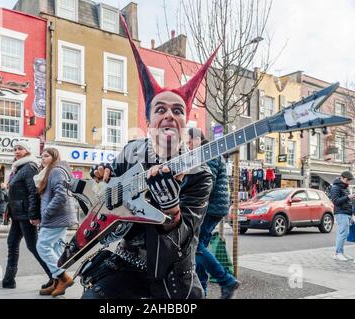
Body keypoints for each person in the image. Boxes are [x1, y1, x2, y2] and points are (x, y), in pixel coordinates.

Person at [72, 16, 216, 299]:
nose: (169, 115)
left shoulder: (199, 174)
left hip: (171, 274)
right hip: (126, 264)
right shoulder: (130, 150)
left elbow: (182, 237)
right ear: (148, 120)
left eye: (177, 111)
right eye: (160, 109)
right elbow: (106, 191)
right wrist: (102, 178)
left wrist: (171, 211)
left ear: (185, 122)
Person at [188, 128, 239, 299]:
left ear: (196, 139)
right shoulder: (207, 152)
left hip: (210, 207)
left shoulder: (207, 153)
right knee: (201, 246)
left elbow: (207, 183)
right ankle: (202, 290)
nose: (188, 146)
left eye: (189, 142)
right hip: (215, 206)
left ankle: (226, 281)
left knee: (194, 246)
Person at [0, 140, 52, 290]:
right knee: (12, 243)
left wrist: (34, 215)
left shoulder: (29, 167)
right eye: (15, 149)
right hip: (17, 214)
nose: (16, 151)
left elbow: (33, 192)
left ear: (27, 151)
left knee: (33, 246)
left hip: (26, 214)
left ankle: (56, 276)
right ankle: (9, 280)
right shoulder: (18, 168)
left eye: (20, 148)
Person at [34, 148, 77, 297]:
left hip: (55, 218)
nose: (43, 158)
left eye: (46, 156)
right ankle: (56, 283)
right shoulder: (52, 171)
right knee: (57, 250)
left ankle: (63, 278)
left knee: (42, 246)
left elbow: (61, 195)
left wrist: (47, 212)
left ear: (54, 157)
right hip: (59, 217)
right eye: (42, 156)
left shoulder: (56, 171)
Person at [331, 171, 355, 261]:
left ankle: (341, 252)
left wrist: (351, 213)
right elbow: (335, 201)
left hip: (346, 213)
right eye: (347, 180)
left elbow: (347, 202)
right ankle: (338, 253)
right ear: (341, 177)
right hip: (341, 213)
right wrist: (348, 197)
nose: (348, 182)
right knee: (342, 233)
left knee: (343, 233)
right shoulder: (335, 187)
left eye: (349, 180)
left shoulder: (345, 187)